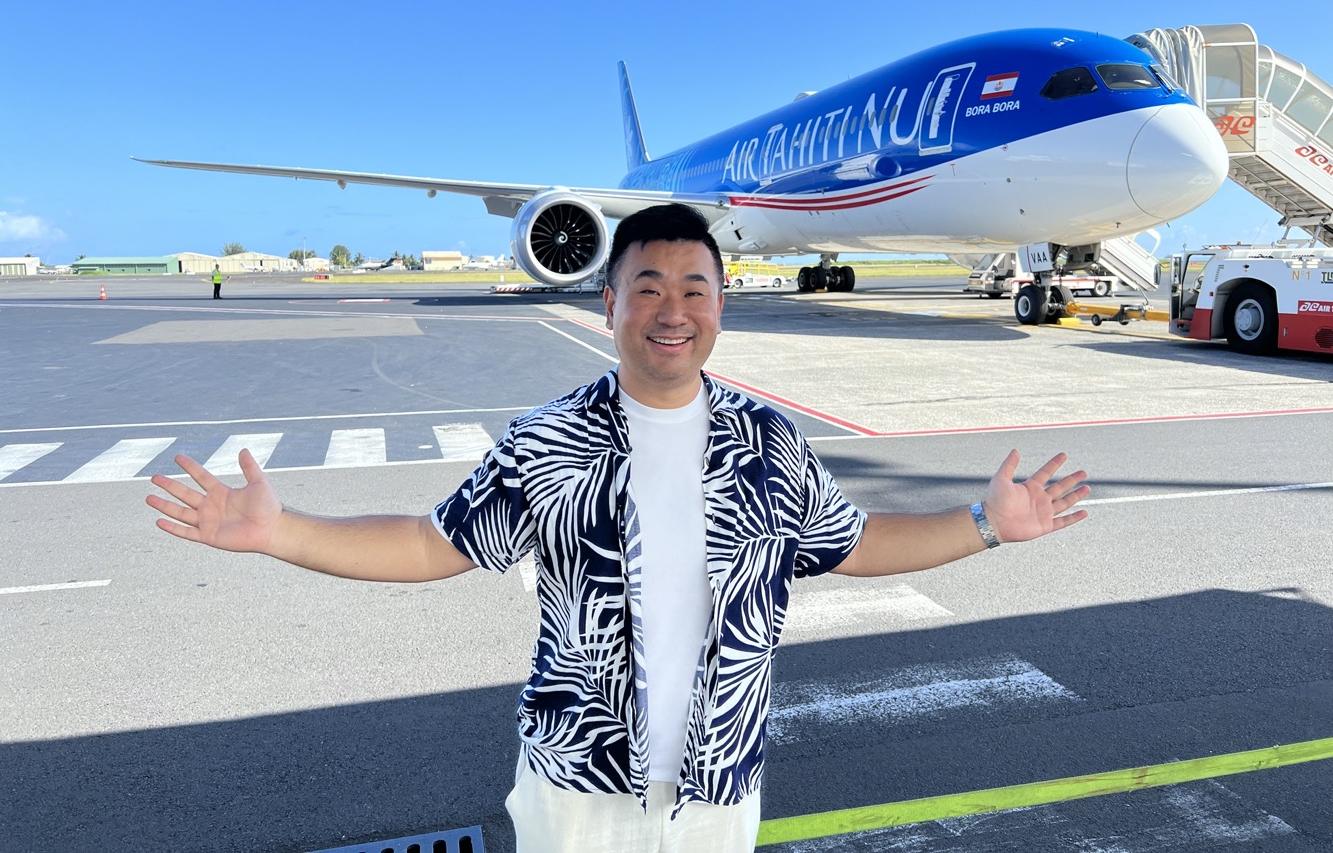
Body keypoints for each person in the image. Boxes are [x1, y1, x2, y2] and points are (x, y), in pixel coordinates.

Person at [147, 204, 1089, 853]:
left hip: (719, 794)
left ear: (720, 307)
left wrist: (983, 524)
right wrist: (285, 531)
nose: (671, 309)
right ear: (608, 305)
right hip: (577, 795)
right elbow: (434, 544)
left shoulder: (766, 441)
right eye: (646, 286)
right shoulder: (550, 439)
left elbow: (853, 544)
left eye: (694, 288)